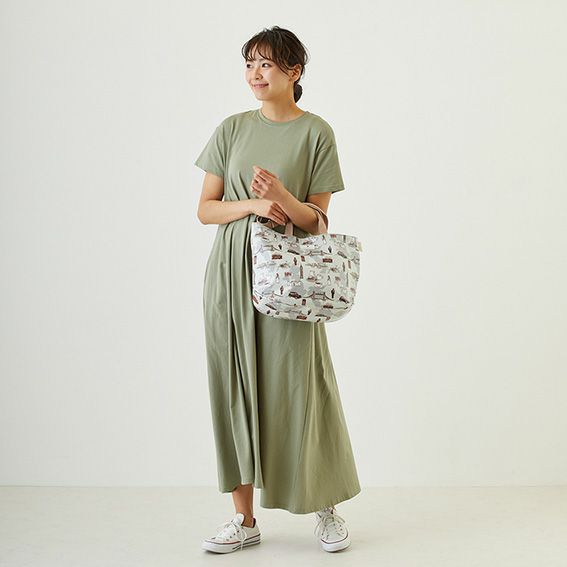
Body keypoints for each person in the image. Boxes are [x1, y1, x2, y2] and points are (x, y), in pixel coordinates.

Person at [194, 26, 361, 554]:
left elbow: (319, 222)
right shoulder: (231, 129)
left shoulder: (316, 132)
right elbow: (205, 210)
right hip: (231, 274)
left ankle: (325, 506)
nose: (255, 74)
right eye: (249, 64)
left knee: (301, 387)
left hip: (290, 281)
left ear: (294, 71)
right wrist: (252, 204)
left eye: (266, 64)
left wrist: (283, 197)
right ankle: (243, 520)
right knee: (235, 388)